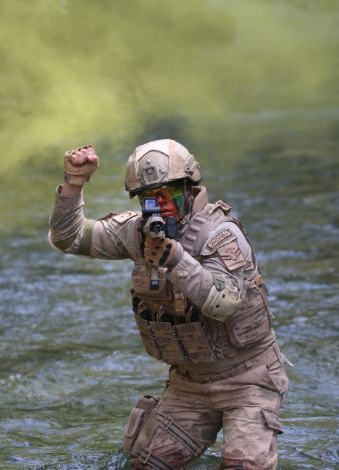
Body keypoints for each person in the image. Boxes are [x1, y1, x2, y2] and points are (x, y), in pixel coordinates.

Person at [49, 140, 289, 468]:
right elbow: (68, 238)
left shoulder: (221, 235)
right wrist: (74, 182)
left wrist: (175, 259)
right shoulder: (136, 232)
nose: (161, 207)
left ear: (190, 189)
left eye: (169, 195)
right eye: (150, 198)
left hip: (247, 378)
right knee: (148, 465)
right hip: (189, 383)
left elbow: (226, 302)